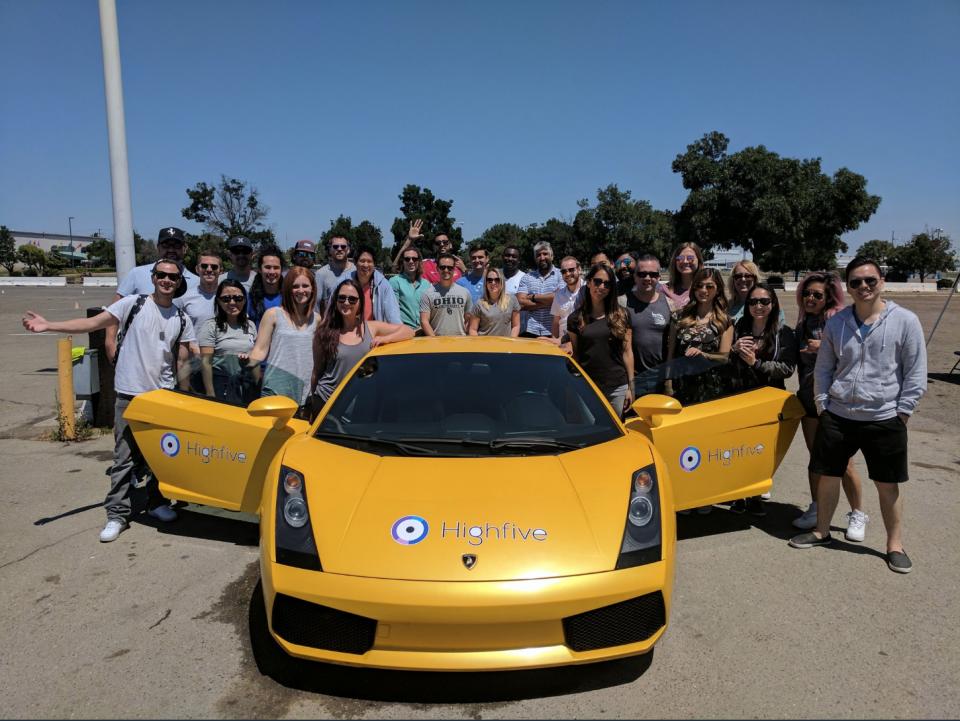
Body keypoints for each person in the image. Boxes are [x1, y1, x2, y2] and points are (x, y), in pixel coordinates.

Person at [22, 259, 194, 542]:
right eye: (161, 275)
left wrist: (185, 396)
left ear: (178, 283)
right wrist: (49, 325)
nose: (166, 280)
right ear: (153, 277)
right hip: (129, 395)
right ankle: (117, 514)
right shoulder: (133, 304)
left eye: (172, 277)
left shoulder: (181, 318)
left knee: (159, 458)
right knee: (123, 458)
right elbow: (92, 323)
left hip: (161, 399)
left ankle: (156, 503)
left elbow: (183, 360)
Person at [790, 257, 927, 574]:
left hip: (884, 417)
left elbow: (916, 374)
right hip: (838, 415)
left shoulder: (905, 321)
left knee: (887, 484)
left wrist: (901, 414)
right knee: (828, 476)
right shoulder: (838, 323)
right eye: (855, 282)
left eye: (869, 280)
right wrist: (823, 406)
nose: (863, 286)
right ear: (848, 287)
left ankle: (894, 545)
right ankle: (822, 531)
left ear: (881, 281)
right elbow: (824, 368)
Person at [791, 271, 867, 538]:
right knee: (817, 459)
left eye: (817, 295)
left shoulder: (839, 321)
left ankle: (857, 514)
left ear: (829, 297)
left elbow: (855, 354)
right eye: (807, 293)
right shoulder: (803, 322)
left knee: (844, 462)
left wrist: (822, 346)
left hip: (836, 402)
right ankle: (816, 507)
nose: (811, 298)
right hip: (809, 399)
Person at [665, 267, 732, 515]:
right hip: (683, 387)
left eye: (710, 287)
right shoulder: (680, 316)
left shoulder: (723, 320)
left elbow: (725, 357)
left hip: (710, 389)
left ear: (717, 290)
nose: (704, 290)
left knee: (706, 444)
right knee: (682, 443)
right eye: (700, 286)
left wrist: (704, 354)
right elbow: (670, 354)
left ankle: (704, 496)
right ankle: (683, 495)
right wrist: (668, 385)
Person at [727, 284, 798, 515]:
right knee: (739, 448)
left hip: (768, 399)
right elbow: (726, 358)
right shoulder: (740, 327)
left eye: (764, 301)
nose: (759, 306)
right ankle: (738, 494)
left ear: (773, 304)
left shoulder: (784, 333)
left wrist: (755, 363)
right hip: (741, 395)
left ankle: (755, 496)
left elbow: (787, 368)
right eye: (753, 302)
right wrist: (733, 348)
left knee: (761, 451)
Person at [310, 279, 414, 417]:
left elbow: (409, 331)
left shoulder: (371, 328)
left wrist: (384, 339)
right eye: (341, 298)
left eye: (352, 299)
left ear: (360, 303)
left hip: (360, 407)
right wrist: (312, 401)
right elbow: (317, 371)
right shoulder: (324, 332)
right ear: (335, 301)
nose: (346, 302)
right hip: (326, 403)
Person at [106, 226, 198, 361]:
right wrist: (110, 345)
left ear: (185, 248)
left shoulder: (196, 282)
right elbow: (113, 313)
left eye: (176, 245)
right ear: (158, 247)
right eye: (166, 245)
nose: (171, 250)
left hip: (182, 358)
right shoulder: (136, 274)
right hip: (140, 357)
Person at [246, 267, 319, 415]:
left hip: (306, 394)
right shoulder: (273, 314)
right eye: (295, 286)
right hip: (275, 391)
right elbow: (260, 349)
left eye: (305, 285)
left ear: (312, 289)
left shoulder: (317, 319)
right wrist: (248, 361)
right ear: (287, 289)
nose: (301, 290)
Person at [566, 264, 634, 418]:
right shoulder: (575, 319)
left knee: (615, 435)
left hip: (617, 387)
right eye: (597, 281)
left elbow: (627, 352)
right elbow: (576, 355)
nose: (601, 287)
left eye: (607, 284)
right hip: (586, 387)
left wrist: (631, 387)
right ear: (589, 282)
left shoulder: (622, 315)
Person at [198, 280, 259, 405]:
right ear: (218, 301)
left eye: (238, 298)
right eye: (226, 299)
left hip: (246, 387)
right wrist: (210, 394)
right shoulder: (210, 326)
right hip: (221, 387)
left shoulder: (250, 325)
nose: (232, 303)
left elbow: (255, 359)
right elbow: (206, 363)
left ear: (244, 300)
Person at [624, 254, 674, 396]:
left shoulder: (670, 305)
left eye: (652, 274)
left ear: (658, 277)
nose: (647, 278)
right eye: (642, 274)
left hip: (660, 380)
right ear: (635, 277)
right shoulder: (623, 303)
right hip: (632, 380)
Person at [420, 253, 474, 336]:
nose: (446, 270)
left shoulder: (465, 292)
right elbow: (424, 321)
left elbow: (468, 319)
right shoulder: (427, 293)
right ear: (437, 269)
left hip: (460, 341)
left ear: (454, 269)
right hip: (437, 342)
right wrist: (434, 340)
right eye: (442, 267)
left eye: (450, 268)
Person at [516, 241, 563, 338]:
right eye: (538, 255)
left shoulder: (561, 275)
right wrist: (549, 302)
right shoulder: (527, 277)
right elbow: (520, 303)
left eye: (545, 254)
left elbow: (560, 297)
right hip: (530, 331)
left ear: (552, 256)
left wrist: (533, 297)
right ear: (535, 258)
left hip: (554, 332)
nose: (542, 258)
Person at [399, 221, 465, 283]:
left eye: (445, 242)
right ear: (434, 246)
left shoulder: (459, 265)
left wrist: (465, 270)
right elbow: (397, 266)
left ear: (450, 244)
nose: (441, 245)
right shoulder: (425, 264)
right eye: (438, 243)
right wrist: (409, 240)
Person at [349, 246, 401, 323]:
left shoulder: (384, 285)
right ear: (355, 263)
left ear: (374, 264)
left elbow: (393, 315)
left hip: (374, 332)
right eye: (362, 261)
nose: (366, 265)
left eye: (369, 261)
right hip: (349, 332)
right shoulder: (343, 283)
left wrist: (399, 329)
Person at [388, 245, 433, 333]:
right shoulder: (394, 282)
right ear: (402, 262)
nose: (411, 261)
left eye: (414, 259)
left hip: (424, 331)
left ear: (419, 261)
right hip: (404, 331)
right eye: (407, 259)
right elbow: (393, 310)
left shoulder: (426, 284)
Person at [468, 266, 521, 337]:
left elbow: (516, 326)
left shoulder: (512, 300)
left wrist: (511, 341)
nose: (493, 283)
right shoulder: (479, 304)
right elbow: (473, 329)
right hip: (485, 345)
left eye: (497, 280)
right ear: (486, 283)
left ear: (502, 281)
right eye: (489, 280)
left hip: (505, 346)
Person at [728, 260, 785, 325]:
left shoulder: (768, 302)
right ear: (733, 280)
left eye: (748, 276)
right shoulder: (728, 305)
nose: (743, 279)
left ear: (755, 279)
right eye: (738, 276)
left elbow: (779, 328)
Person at [247, 245, 285, 328]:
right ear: (260, 269)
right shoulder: (250, 299)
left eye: (276, 268)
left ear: (281, 270)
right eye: (267, 267)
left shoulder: (289, 297)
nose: (272, 272)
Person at [315, 235, 356, 311]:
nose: (339, 249)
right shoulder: (320, 274)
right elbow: (316, 305)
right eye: (335, 246)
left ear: (348, 249)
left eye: (343, 246)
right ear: (330, 250)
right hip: (330, 322)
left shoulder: (356, 271)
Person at [550, 256, 584, 341]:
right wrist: (555, 341)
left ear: (579, 269)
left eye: (571, 269)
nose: (567, 274)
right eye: (564, 271)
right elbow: (555, 322)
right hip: (562, 342)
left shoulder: (588, 290)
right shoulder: (558, 295)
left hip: (583, 341)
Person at [659, 241, 703, 308]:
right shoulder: (663, 290)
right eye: (680, 258)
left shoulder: (707, 289)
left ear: (699, 261)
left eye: (690, 258)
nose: (685, 261)